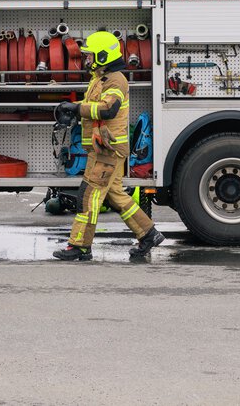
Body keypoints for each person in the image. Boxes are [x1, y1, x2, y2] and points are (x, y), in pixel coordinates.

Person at [52, 31, 164, 261]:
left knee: (89, 195)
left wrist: (77, 109)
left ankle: (80, 246)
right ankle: (148, 234)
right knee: (115, 196)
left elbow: (108, 108)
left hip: (107, 150)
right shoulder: (101, 78)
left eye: (91, 55)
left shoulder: (116, 80)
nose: (87, 59)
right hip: (103, 148)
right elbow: (95, 104)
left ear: (103, 56)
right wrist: (74, 106)